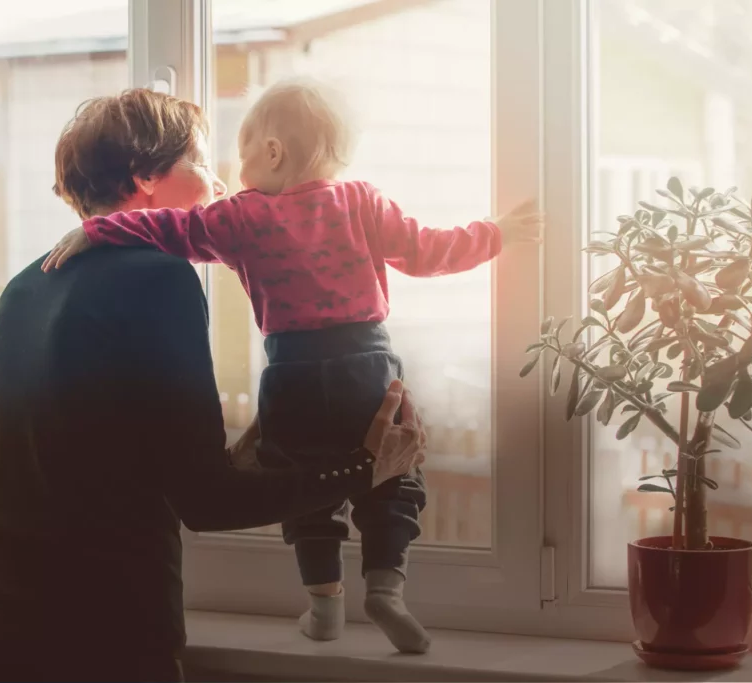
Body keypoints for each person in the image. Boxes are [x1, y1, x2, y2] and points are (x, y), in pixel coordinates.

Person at [42, 78, 545, 654]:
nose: (224, 175)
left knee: (298, 481)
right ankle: (387, 586)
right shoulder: (360, 201)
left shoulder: (237, 218)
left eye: (237, 152)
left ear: (274, 153)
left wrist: (94, 229)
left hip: (292, 373)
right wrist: (497, 234)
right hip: (368, 363)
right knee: (397, 475)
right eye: (208, 161)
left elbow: (171, 229)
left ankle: (325, 604)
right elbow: (428, 249)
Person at [0, 88, 426, 683]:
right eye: (201, 163)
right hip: (100, 634)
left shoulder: (24, 286)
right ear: (146, 178)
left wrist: (256, 442)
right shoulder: (159, 276)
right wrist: (366, 468)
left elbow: (91, 467)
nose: (219, 184)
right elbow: (205, 502)